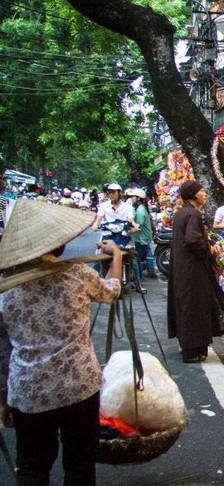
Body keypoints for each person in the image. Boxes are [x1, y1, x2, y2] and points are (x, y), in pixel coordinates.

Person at [0, 198, 124, 485]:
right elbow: (111, 292)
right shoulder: (76, 274)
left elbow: (3, 350)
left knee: (32, 466)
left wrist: (4, 398)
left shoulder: (6, 288)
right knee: (80, 465)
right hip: (77, 387)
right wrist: (116, 257)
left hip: (29, 390)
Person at [167, 180, 224, 363]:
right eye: (202, 191)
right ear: (194, 195)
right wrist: (209, 248)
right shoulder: (193, 215)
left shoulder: (182, 213)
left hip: (184, 268)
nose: (205, 193)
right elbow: (192, 240)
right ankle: (192, 351)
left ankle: (192, 347)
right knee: (195, 307)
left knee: (187, 306)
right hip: (193, 270)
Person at [128, 188, 156, 292]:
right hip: (142, 238)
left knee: (136, 261)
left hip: (141, 239)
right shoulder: (140, 208)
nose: (132, 199)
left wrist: (127, 232)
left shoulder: (140, 211)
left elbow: (137, 227)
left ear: (138, 198)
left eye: (133, 197)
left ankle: (138, 283)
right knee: (138, 260)